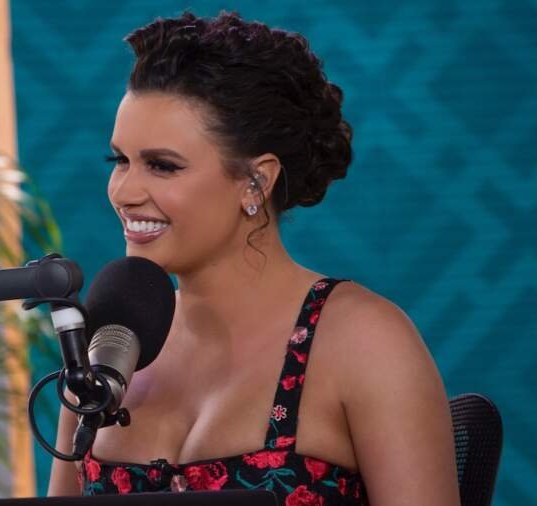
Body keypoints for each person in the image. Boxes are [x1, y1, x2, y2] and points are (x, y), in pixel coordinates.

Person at [48, 11, 459, 505]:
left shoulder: (364, 342)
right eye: (120, 161)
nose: (124, 192)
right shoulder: (108, 352)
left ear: (256, 181)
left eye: (162, 165)